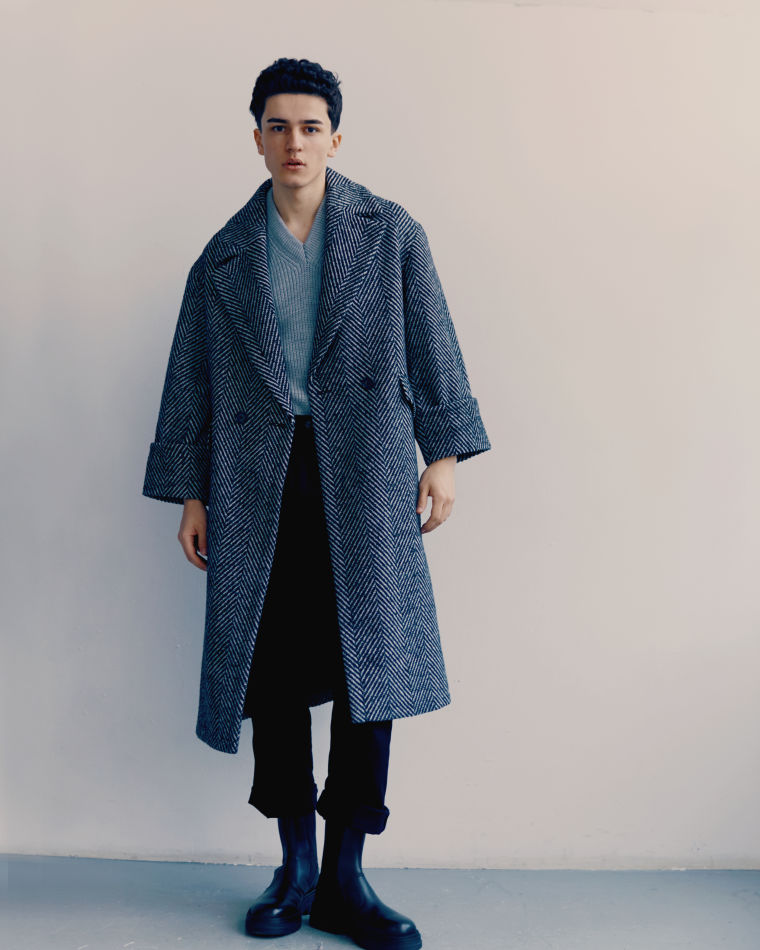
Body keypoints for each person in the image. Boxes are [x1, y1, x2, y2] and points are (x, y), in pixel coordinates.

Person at [142, 57, 491, 950]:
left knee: (371, 673)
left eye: (309, 126)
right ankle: (295, 870)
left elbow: (434, 342)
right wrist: (191, 492)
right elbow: (191, 378)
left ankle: (346, 877)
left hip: (365, 472)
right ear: (256, 138)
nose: (293, 142)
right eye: (277, 126)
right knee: (275, 677)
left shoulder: (389, 232)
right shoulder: (223, 255)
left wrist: (443, 456)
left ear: (336, 137)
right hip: (255, 479)